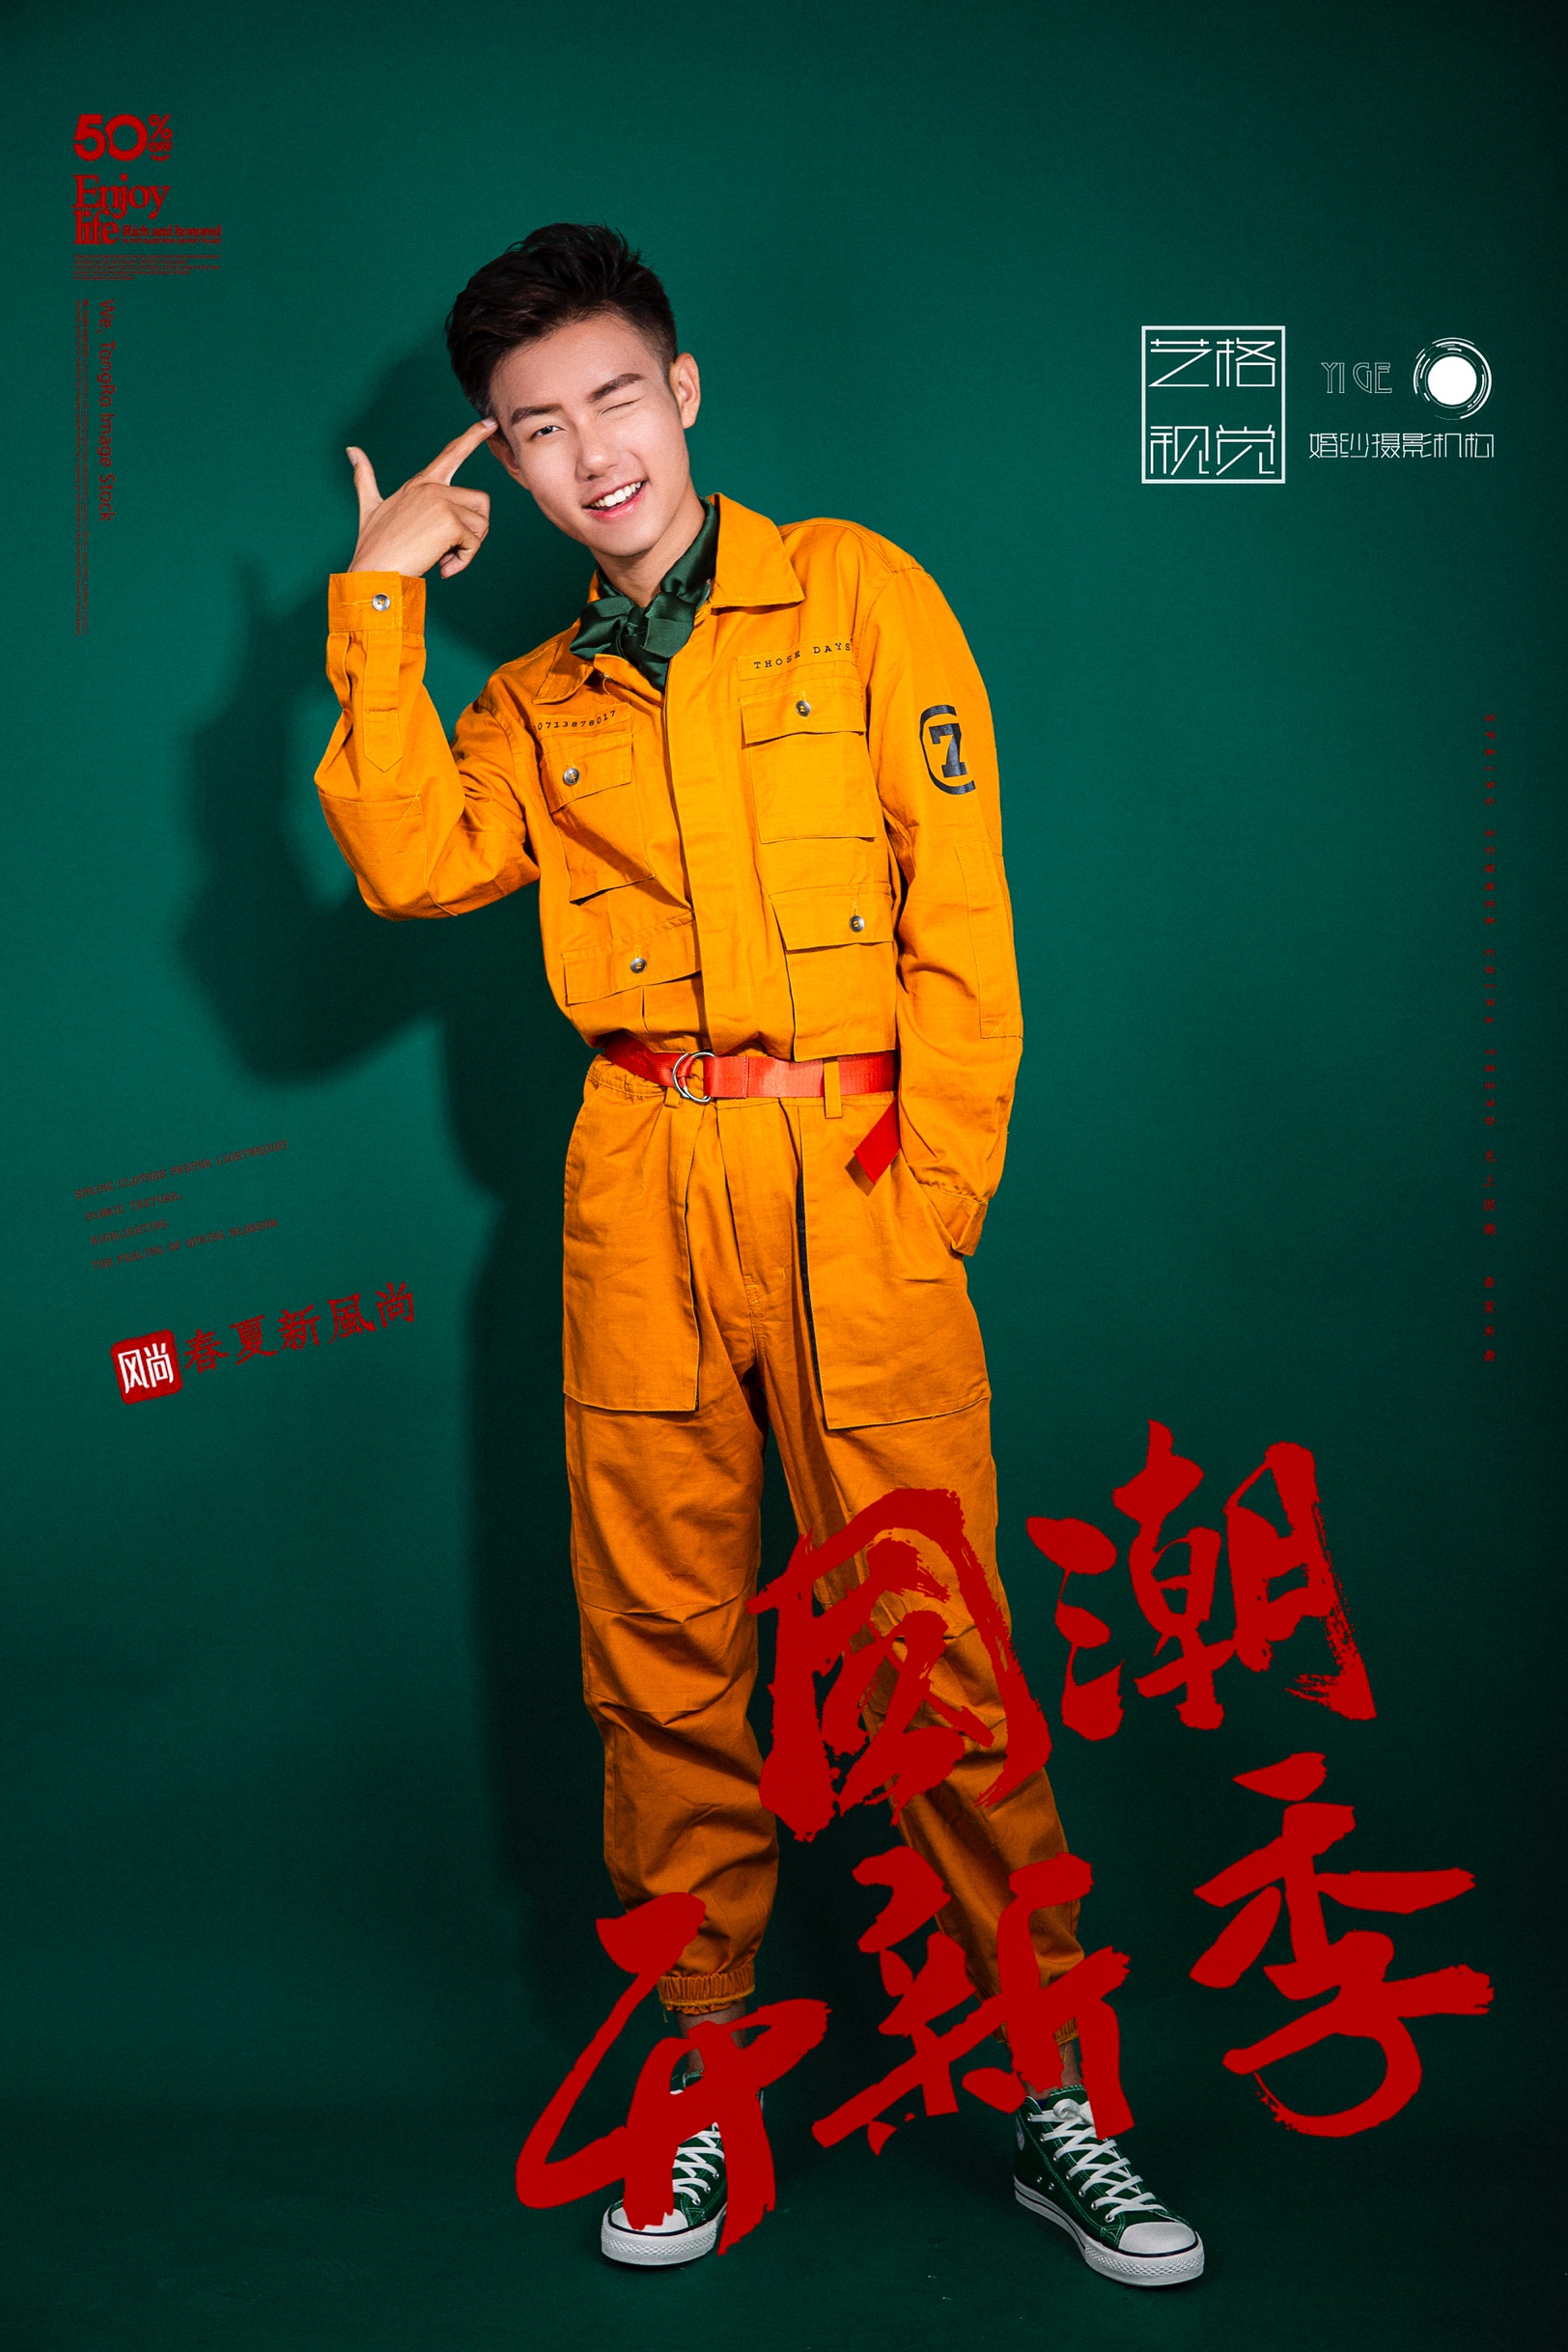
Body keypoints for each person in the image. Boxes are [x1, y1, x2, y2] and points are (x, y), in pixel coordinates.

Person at [315, 221, 1202, 2289]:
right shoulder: (532, 700)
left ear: (684, 389)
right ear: (505, 465)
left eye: (615, 397)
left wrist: (927, 1208)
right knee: (662, 1660)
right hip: (637, 1185)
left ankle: (1052, 2097)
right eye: (537, 430)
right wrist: (376, 606)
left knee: (940, 1661)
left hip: (853, 1175)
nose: (591, 453)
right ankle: (700, 2083)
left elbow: (960, 923)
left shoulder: (864, 600)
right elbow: (410, 862)